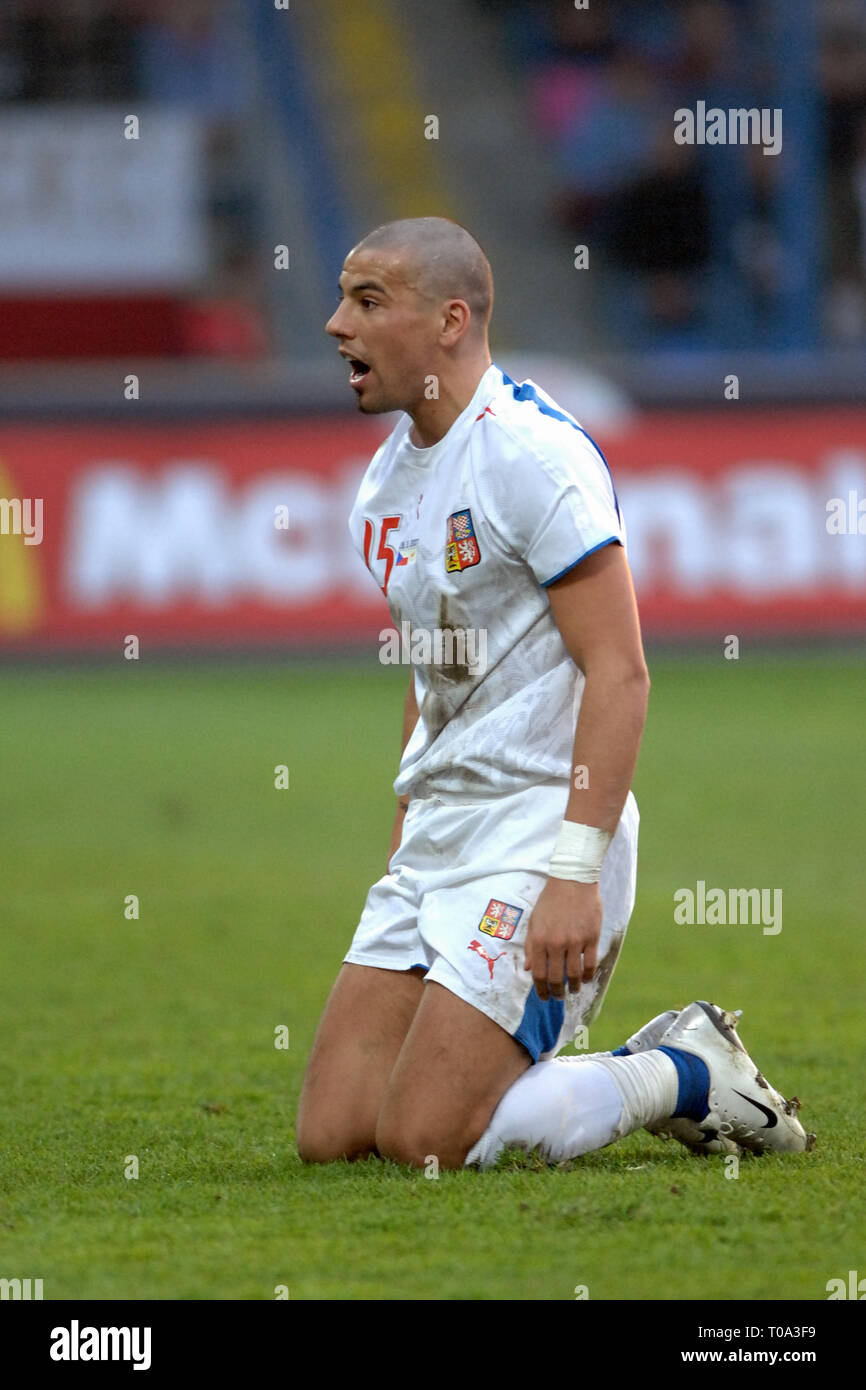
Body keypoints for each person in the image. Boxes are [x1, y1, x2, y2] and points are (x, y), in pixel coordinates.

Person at [296, 216, 813, 1171]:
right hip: (442, 833)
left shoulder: (532, 456)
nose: (338, 324)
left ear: (451, 321)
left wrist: (575, 871)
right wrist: (409, 818)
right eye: (342, 298)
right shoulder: (386, 483)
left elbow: (621, 670)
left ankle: (680, 1071)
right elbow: (433, 664)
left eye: (368, 301)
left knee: (424, 1143)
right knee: (333, 1137)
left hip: (541, 829)